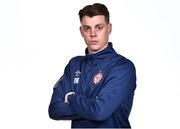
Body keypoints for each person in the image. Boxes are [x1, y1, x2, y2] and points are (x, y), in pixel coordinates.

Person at [48, 3, 136, 128]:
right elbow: (55, 109)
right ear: (81, 31)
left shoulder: (122, 67)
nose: (93, 34)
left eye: (99, 27)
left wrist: (72, 98)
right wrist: (92, 105)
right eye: (87, 28)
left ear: (109, 28)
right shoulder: (74, 65)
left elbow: (99, 112)